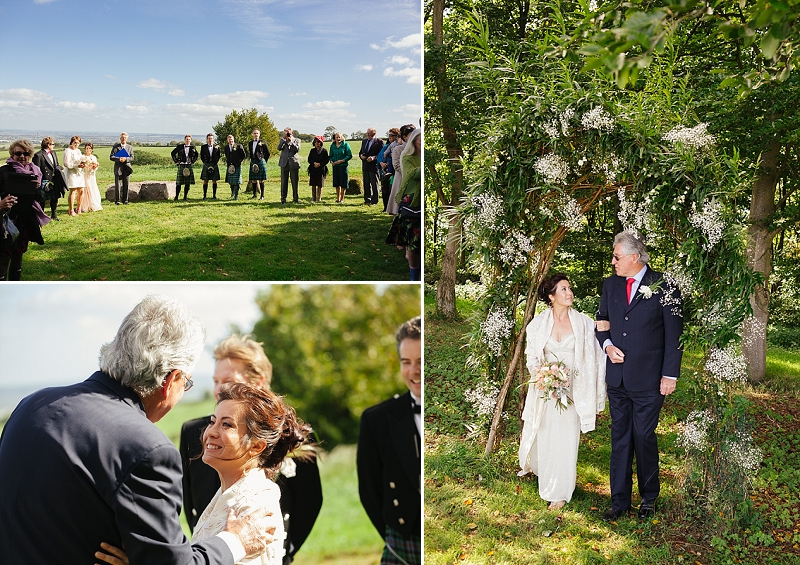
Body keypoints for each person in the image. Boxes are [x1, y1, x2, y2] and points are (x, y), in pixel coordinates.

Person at [0, 295, 269, 564]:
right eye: (185, 383)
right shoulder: (147, 448)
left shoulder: (31, 405)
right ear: (171, 380)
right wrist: (236, 541)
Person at [181, 334, 323, 565]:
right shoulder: (197, 432)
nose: (218, 390)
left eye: (228, 382)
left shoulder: (256, 500)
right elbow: (190, 502)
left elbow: (309, 501)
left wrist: (285, 550)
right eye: (216, 381)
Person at [596, 231, 683, 522]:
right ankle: (619, 502)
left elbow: (674, 335)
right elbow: (602, 322)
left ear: (634, 257)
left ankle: (649, 498)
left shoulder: (666, 285)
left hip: (650, 380)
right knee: (620, 439)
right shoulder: (610, 285)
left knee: (644, 436)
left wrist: (670, 375)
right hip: (617, 378)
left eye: (617, 257)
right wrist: (607, 346)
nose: (613, 262)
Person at [518, 274, 607, 510]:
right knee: (546, 435)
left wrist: (606, 328)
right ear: (551, 296)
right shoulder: (538, 325)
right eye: (563, 289)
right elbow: (532, 357)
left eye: (569, 288)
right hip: (546, 390)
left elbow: (597, 353)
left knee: (566, 438)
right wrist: (544, 377)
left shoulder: (584, 323)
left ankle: (559, 492)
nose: (569, 293)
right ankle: (546, 473)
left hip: (572, 391)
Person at [357, 316, 422, 565]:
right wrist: (393, 534)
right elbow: (369, 489)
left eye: (421, 361)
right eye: (406, 362)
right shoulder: (376, 420)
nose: (414, 371)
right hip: (401, 544)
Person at [0, 139, 50, 280]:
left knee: (18, 255)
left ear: (30, 155)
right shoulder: (3, 172)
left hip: (24, 220)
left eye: (26, 153)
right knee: (3, 258)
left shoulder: (35, 171)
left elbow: (41, 197)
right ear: (12, 154)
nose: (22, 156)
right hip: (5, 220)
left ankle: (15, 284)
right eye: (18, 153)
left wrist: (36, 189)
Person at [385, 128, 422, 281]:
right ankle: (414, 276)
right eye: (420, 140)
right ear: (413, 141)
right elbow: (412, 174)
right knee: (413, 242)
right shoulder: (406, 156)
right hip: (411, 202)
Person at [32, 137, 64, 220]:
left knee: (55, 197)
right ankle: (42, 216)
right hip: (44, 179)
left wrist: (60, 169)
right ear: (48, 145)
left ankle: (54, 215)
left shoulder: (53, 153)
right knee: (42, 199)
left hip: (54, 178)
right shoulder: (38, 155)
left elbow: (56, 164)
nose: (53, 146)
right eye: (53, 144)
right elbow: (36, 170)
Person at [386, 125, 414, 216]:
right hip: (401, 179)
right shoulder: (398, 149)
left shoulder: (417, 148)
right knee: (399, 206)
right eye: (411, 134)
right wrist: (410, 172)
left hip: (414, 181)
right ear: (405, 137)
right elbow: (396, 165)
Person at [359, 128, 384, 205]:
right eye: (367, 133)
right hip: (365, 165)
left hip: (374, 166)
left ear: (374, 133)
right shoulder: (364, 141)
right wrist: (361, 156)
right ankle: (367, 199)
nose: (368, 135)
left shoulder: (379, 142)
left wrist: (374, 158)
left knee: (374, 184)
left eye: (369, 133)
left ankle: (374, 200)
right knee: (366, 184)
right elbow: (360, 152)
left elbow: (381, 155)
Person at [171, 134, 199, 202]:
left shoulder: (193, 147)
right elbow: (173, 153)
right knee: (179, 183)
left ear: (191, 140)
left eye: (189, 139)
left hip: (189, 165)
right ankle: (176, 197)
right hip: (181, 165)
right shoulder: (179, 147)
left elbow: (196, 155)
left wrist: (193, 161)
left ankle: (185, 197)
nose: (187, 140)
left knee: (187, 183)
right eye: (186, 139)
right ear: (184, 140)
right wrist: (176, 161)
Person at [278, 127, 301, 204]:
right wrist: (284, 140)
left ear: (292, 133)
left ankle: (295, 198)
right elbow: (279, 148)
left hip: (293, 162)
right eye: (286, 133)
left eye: (289, 133)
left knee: (294, 181)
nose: (287, 134)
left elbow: (297, 149)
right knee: (284, 182)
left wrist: (291, 141)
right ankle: (283, 199)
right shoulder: (282, 140)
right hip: (284, 163)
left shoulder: (297, 140)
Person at [246, 129, 271, 200]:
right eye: (254, 133)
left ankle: (262, 196)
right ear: (252, 134)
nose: (256, 134)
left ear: (259, 134)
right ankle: (254, 195)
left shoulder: (263, 142)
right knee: (253, 179)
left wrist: (263, 160)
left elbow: (268, 153)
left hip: (260, 161)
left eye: (257, 133)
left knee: (261, 180)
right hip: (253, 161)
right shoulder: (250, 143)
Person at [110, 132, 134, 205]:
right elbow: (111, 157)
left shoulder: (130, 147)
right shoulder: (116, 147)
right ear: (120, 138)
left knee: (126, 184)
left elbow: (132, 157)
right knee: (118, 185)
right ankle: (117, 200)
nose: (123, 139)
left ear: (127, 139)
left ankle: (125, 200)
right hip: (118, 168)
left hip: (127, 168)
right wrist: (119, 159)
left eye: (125, 137)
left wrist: (126, 159)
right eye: (122, 137)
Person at [379, 128, 400, 211]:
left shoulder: (399, 146)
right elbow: (380, 156)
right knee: (385, 190)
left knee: (392, 190)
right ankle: (385, 207)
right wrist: (381, 163)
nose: (389, 137)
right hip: (384, 170)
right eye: (389, 135)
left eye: (391, 135)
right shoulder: (386, 146)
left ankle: (392, 208)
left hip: (394, 171)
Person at [63, 135, 84, 215]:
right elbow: (66, 164)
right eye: (75, 142)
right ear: (71, 142)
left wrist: (84, 164)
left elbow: (81, 159)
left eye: (78, 143)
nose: (76, 144)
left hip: (79, 173)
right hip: (71, 173)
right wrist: (76, 166)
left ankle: (78, 208)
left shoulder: (78, 151)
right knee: (73, 191)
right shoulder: (68, 151)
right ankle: (71, 210)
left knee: (81, 191)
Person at [329, 132, 351, 203]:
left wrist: (342, 161)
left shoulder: (346, 145)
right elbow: (330, 156)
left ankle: (342, 199)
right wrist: (331, 161)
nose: (338, 138)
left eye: (339, 137)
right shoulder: (332, 146)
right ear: (334, 138)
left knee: (343, 183)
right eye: (336, 137)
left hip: (343, 167)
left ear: (341, 137)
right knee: (337, 183)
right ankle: (338, 198)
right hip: (335, 167)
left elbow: (349, 155)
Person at [79, 142, 102, 212]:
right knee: (86, 189)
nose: (88, 150)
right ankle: (86, 206)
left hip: (91, 175)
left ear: (92, 149)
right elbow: (81, 167)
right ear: (85, 149)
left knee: (92, 188)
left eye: (89, 148)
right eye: (87, 148)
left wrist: (95, 167)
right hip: (85, 175)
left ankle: (93, 204)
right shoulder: (82, 157)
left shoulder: (93, 157)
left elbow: (96, 166)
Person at [307, 135, 329, 202]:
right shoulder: (312, 150)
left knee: (320, 184)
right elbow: (309, 159)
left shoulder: (324, 151)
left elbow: (326, 160)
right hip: (313, 169)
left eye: (318, 142)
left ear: (321, 143)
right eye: (316, 142)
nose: (317, 143)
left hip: (321, 169)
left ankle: (319, 198)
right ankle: (313, 198)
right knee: (313, 184)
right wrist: (314, 163)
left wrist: (320, 164)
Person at [224, 134, 246, 200]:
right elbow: (227, 155)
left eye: (231, 139)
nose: (230, 140)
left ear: (233, 139)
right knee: (231, 181)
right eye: (229, 139)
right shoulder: (226, 147)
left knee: (236, 181)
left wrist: (239, 161)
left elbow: (243, 155)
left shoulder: (239, 146)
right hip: (230, 165)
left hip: (237, 165)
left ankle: (236, 196)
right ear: (227, 140)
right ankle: (232, 194)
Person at [201, 133, 221, 200]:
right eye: (209, 138)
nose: (210, 140)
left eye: (211, 138)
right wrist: (205, 163)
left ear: (213, 139)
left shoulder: (217, 147)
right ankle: (204, 196)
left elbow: (218, 155)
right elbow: (201, 156)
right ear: (207, 139)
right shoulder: (203, 147)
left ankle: (214, 196)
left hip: (214, 164)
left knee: (214, 180)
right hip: (206, 164)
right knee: (205, 180)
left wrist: (215, 162)